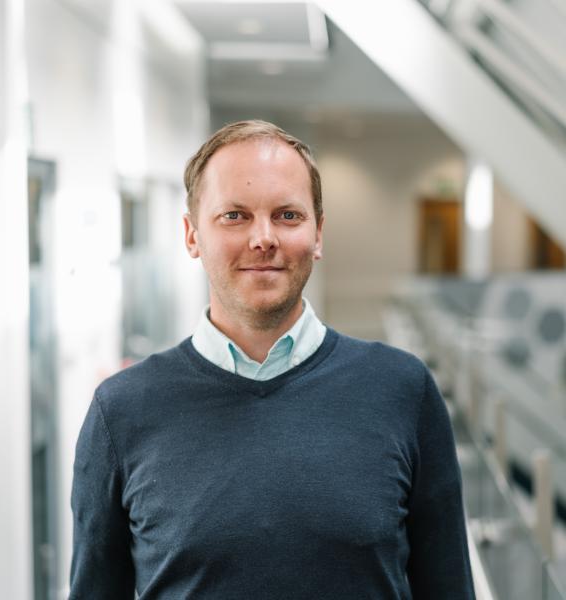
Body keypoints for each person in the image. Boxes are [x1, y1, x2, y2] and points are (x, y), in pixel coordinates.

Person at [69, 120, 475, 599]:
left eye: (287, 215)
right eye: (235, 216)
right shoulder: (120, 412)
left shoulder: (403, 390)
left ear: (318, 234)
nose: (263, 238)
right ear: (192, 235)